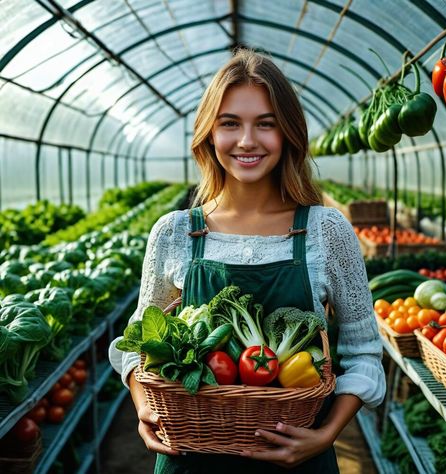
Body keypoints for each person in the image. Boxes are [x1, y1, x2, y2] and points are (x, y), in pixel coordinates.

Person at [109, 48, 386, 473]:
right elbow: (136, 343)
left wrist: (325, 436)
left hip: (298, 461)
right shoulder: (175, 231)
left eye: (266, 124)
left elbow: (364, 351)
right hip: (191, 456)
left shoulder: (326, 231)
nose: (247, 141)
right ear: (209, 134)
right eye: (230, 124)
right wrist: (145, 404)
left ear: (288, 133)